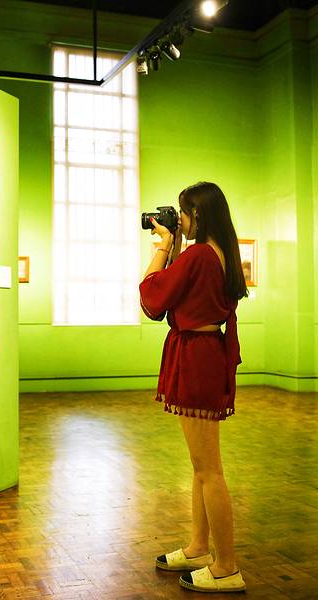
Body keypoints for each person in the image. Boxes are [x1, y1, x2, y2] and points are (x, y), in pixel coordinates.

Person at [139, 182, 248, 594]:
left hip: (197, 358)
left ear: (197, 215)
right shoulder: (219, 252)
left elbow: (151, 296)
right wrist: (177, 246)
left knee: (209, 470)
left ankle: (227, 567)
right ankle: (199, 547)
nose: (178, 219)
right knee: (201, 468)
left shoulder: (200, 255)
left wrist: (163, 247)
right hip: (205, 353)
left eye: (182, 212)